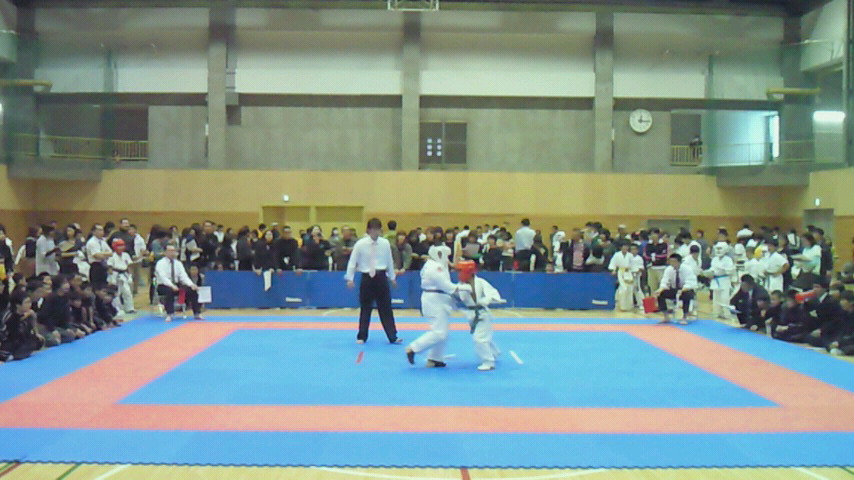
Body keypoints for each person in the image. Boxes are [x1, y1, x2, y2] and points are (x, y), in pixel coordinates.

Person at [405, 245, 471, 367]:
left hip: (437, 298)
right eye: (446, 256)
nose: (447, 259)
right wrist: (465, 288)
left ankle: (435, 358)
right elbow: (446, 286)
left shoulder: (432, 265)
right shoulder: (435, 267)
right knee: (439, 332)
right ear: (439, 254)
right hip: (435, 300)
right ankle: (413, 348)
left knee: (442, 331)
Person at [345, 218, 401, 345]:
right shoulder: (360, 244)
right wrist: (350, 278)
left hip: (381, 277)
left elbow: (389, 261)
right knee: (365, 308)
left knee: (386, 308)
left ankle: (392, 336)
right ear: (368, 230)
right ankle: (362, 336)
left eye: (378, 229)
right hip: (367, 278)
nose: (376, 232)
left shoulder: (385, 243)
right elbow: (353, 261)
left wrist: (392, 277)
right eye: (373, 229)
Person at [456, 260, 503, 371]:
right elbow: (454, 296)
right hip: (471, 314)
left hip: (482, 314)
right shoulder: (460, 285)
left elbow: (493, 293)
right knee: (483, 336)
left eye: (461, 271)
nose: (459, 274)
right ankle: (494, 352)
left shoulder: (481, 282)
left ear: (469, 272)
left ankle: (488, 362)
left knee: (479, 339)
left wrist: (486, 299)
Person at [154, 245, 200, 322]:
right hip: (163, 285)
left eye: (173, 251)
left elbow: (183, 276)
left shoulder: (178, 263)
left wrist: (191, 284)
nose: (172, 253)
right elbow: (163, 277)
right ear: (165, 252)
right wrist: (172, 286)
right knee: (169, 291)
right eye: (170, 251)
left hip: (177, 284)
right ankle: (170, 314)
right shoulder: (160, 263)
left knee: (192, 290)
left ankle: (197, 313)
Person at [0, 290, 45, 360]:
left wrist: (33, 316)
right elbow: (8, 335)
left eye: (30, 302)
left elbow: (30, 329)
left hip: (21, 339)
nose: (29, 305)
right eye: (26, 303)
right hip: (9, 341)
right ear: (18, 305)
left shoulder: (28, 314)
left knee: (39, 340)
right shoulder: (9, 316)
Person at [654, 253, 697, 325]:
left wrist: (682, 290)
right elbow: (665, 281)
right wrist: (660, 289)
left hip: (686, 289)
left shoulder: (687, 269)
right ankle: (666, 316)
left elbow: (690, 282)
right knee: (660, 294)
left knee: (687, 295)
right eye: (671, 261)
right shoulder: (668, 269)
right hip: (674, 290)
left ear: (679, 262)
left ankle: (685, 317)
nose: (672, 263)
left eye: (674, 261)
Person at [705, 243, 735, 321]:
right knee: (715, 298)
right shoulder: (714, 259)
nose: (718, 250)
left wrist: (722, 269)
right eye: (717, 248)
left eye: (720, 248)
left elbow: (731, 270)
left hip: (724, 280)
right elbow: (712, 268)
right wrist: (708, 272)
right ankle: (716, 313)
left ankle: (727, 314)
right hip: (715, 280)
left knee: (725, 299)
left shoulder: (728, 259)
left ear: (725, 249)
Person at [107, 238, 135, 315]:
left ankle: (129, 308)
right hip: (115, 275)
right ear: (115, 247)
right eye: (119, 246)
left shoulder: (126, 255)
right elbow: (110, 268)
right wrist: (111, 279)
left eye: (122, 245)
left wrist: (130, 276)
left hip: (124, 275)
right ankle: (117, 309)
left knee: (127, 292)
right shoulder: (111, 256)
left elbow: (129, 266)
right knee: (117, 294)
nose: (121, 247)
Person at [608, 241, 635, 312]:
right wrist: (613, 270)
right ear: (621, 247)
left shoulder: (630, 255)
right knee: (623, 288)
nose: (625, 248)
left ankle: (629, 306)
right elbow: (613, 263)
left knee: (629, 288)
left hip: (629, 273)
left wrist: (633, 271)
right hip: (621, 272)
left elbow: (633, 265)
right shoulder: (617, 255)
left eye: (626, 247)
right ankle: (622, 306)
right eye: (624, 246)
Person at [827, 290, 854, 356]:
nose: (841, 302)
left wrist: (840, 343)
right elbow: (841, 330)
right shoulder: (843, 313)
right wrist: (837, 341)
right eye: (840, 300)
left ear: (851, 302)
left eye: (843, 300)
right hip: (845, 339)